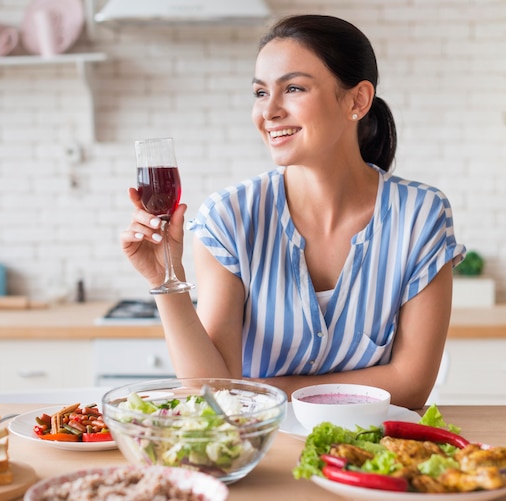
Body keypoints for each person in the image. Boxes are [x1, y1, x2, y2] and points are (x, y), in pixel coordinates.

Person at [121, 14, 465, 410]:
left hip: (367, 455)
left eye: (294, 88)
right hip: (258, 456)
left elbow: (411, 385)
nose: (269, 112)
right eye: (260, 93)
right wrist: (167, 279)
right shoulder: (229, 218)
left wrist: (257, 390)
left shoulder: (421, 215)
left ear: (357, 100)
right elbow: (212, 393)